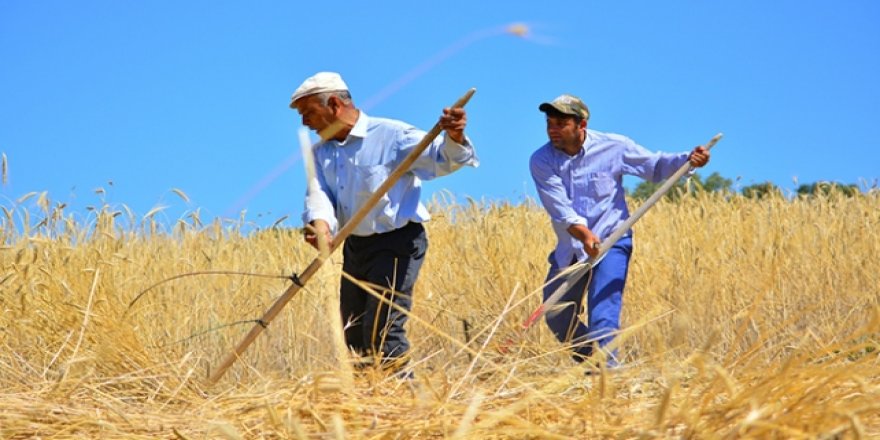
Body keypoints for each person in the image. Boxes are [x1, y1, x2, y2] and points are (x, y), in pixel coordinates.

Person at [291, 72, 479, 375]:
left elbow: (443, 160)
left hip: (397, 243)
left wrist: (454, 136)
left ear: (335, 104)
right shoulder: (320, 153)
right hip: (355, 246)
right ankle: (368, 398)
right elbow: (319, 194)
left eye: (308, 112)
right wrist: (320, 225)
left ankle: (403, 397)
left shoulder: (392, 136)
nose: (305, 123)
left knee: (383, 330)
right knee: (353, 333)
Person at [529, 94, 710, 369]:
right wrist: (585, 236)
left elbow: (655, 166)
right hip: (572, 247)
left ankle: (609, 374)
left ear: (581, 125)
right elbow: (560, 209)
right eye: (550, 123)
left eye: (561, 123)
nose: (553, 129)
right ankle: (594, 364)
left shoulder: (614, 147)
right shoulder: (541, 160)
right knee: (556, 314)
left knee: (603, 313)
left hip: (613, 240)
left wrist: (689, 160)